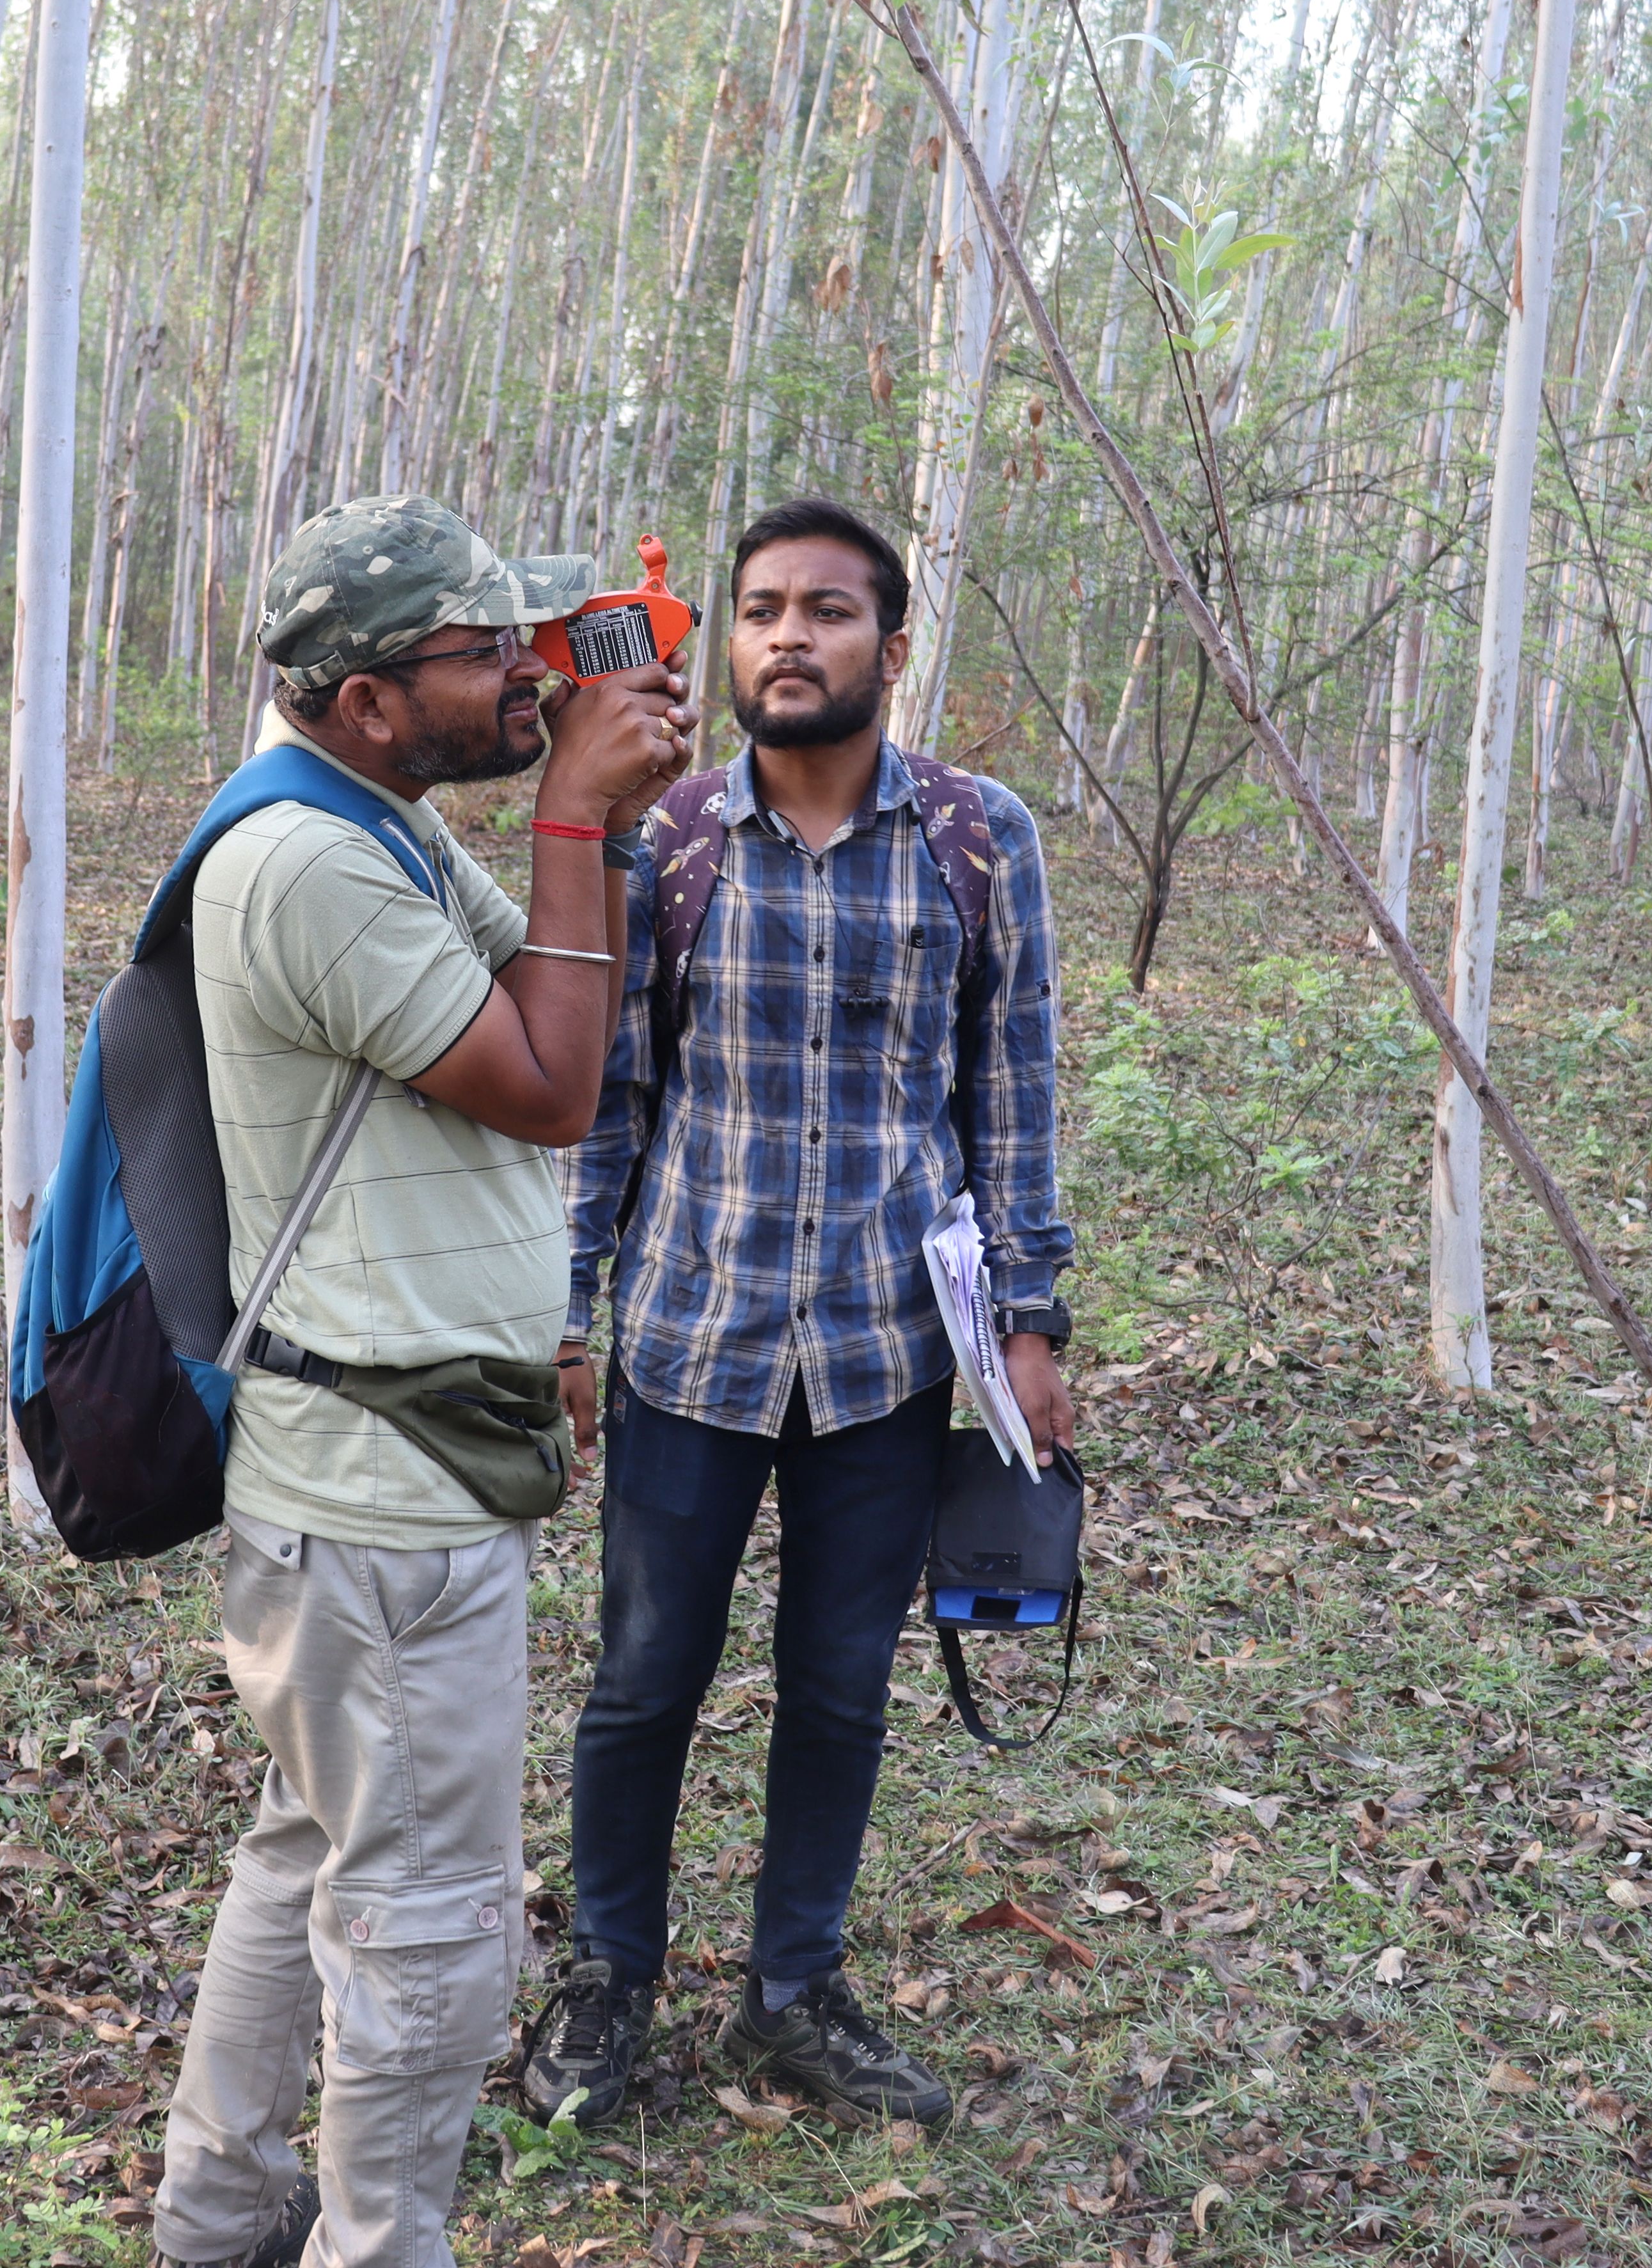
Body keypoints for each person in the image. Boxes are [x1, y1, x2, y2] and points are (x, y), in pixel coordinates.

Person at [151, 494, 693, 2268]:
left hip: (399, 1459)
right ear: (370, 698)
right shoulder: (307, 860)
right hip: (380, 1502)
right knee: (430, 1919)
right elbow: (551, 1083)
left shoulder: (374, 821)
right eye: (486, 653)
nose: (529, 673)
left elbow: (547, 993)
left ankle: (220, 2216)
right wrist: (572, 808)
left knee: (315, 1848)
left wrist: (597, 820)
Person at [521, 497, 1074, 2131]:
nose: (788, 636)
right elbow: (610, 1099)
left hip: (888, 1353)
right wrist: (568, 1314)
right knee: (644, 1676)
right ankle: (609, 1973)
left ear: (890, 648)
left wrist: (1031, 1321)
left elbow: (1014, 1091)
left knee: (840, 1684)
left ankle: (794, 1988)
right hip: (692, 1335)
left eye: (828, 610)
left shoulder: (978, 838)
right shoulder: (671, 838)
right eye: (762, 608)